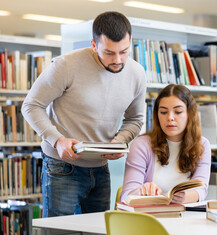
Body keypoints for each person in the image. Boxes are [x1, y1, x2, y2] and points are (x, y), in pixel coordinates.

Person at [21, 11, 146, 218]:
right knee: (58, 233)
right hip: (62, 167)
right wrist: (57, 140)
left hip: (101, 167)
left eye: (124, 51)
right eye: (109, 53)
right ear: (93, 44)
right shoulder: (65, 66)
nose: (118, 60)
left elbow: (136, 119)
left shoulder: (137, 73)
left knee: (97, 233)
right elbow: (31, 105)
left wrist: (120, 140)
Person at [121, 84, 211, 203]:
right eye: (163, 112)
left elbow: (201, 190)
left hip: (184, 216)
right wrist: (141, 191)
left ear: (190, 114)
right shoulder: (142, 145)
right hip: (150, 217)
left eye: (178, 112)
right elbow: (125, 196)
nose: (170, 118)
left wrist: (186, 196)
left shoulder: (202, 145)